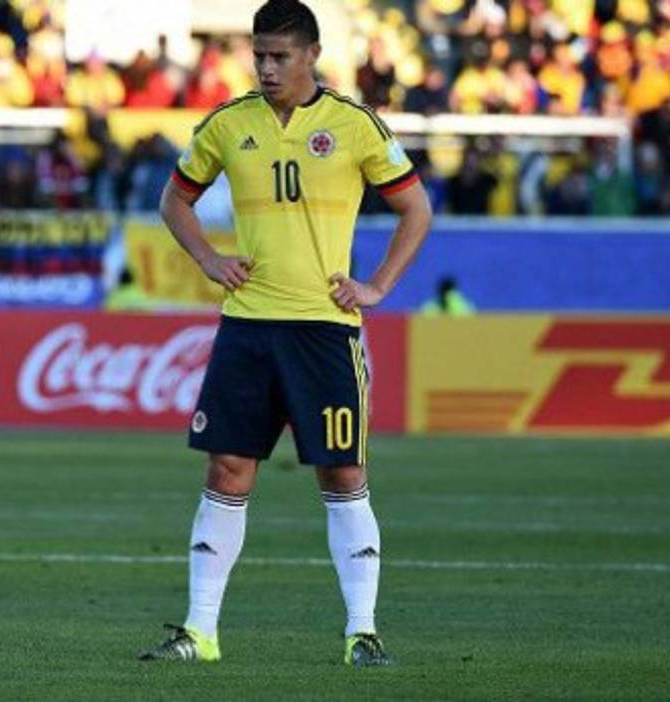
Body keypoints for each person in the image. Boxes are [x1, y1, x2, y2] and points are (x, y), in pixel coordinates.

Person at [138, 0, 432, 667]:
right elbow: (174, 199)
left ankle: (363, 632)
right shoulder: (227, 123)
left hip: (324, 330)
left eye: (279, 56)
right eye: (259, 55)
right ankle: (199, 633)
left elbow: (416, 206)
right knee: (228, 468)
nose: (267, 68)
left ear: (311, 56)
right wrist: (209, 259)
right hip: (247, 329)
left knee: (342, 472)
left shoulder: (354, 126)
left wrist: (378, 285)